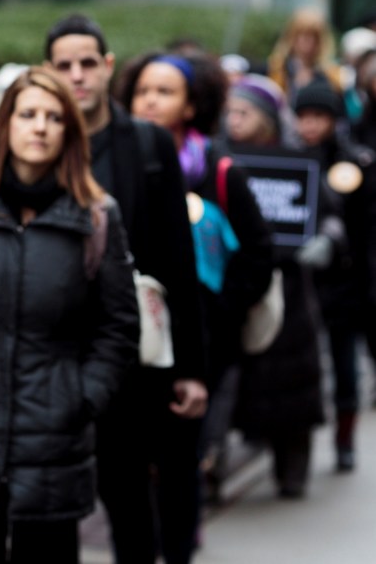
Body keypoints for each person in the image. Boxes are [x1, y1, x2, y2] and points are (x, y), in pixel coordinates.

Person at [0, 66, 139, 563]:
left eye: (54, 117)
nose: (40, 126)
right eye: (28, 114)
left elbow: (119, 326)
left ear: (70, 133)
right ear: (5, 124)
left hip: (56, 440)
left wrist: (82, 396)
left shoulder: (96, 217)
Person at [44, 14, 206, 564]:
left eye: (87, 63)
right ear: (48, 71)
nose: (77, 75)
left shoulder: (147, 144)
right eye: (64, 65)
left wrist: (191, 367)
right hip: (56, 355)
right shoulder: (37, 141)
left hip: (134, 353)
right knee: (53, 509)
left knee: (131, 496)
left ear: (108, 67)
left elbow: (179, 263)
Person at [117, 51, 274, 561]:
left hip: (200, 345)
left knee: (182, 462)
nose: (151, 101)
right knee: (127, 469)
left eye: (164, 92)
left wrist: (217, 311)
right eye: (143, 91)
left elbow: (258, 255)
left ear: (191, 104)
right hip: (130, 345)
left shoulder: (219, 171)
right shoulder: (115, 166)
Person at [225, 74, 326, 499]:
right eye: (229, 112)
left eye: (244, 113)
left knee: (291, 385)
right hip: (241, 281)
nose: (234, 121)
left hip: (287, 287)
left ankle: (292, 466)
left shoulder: (295, 160)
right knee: (236, 381)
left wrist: (328, 240)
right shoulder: (222, 161)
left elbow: (328, 212)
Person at [292, 80, 376, 472]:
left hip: (343, 284)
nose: (310, 125)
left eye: (319, 117)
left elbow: (363, 228)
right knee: (302, 368)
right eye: (304, 117)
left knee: (345, 367)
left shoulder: (352, 163)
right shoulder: (287, 158)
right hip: (300, 282)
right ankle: (297, 448)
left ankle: (345, 438)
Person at [267, 7, 342, 104]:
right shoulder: (278, 67)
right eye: (303, 36)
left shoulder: (330, 74)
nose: (308, 42)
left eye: (314, 37)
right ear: (292, 37)